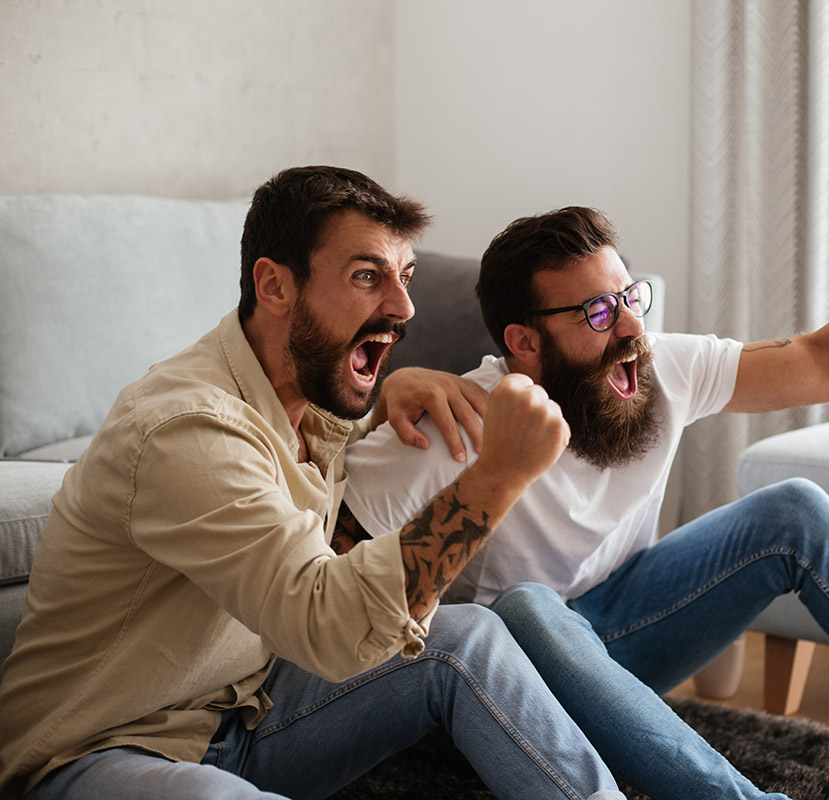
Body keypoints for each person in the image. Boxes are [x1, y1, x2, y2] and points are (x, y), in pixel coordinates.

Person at [342, 204, 829, 800]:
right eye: (598, 315)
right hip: (499, 694)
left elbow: (824, 363)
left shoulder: (658, 365)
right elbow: (322, 587)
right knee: (526, 609)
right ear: (525, 343)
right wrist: (374, 408)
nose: (633, 329)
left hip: (620, 636)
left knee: (794, 512)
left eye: (628, 297)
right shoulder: (446, 430)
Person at [0, 167, 627, 800]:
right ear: (274, 285)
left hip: (244, 715)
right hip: (100, 752)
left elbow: (316, 467)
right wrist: (499, 474)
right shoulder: (184, 430)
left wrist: (385, 399)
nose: (405, 307)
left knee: (467, 639)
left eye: (404, 277)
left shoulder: (310, 404)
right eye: (366, 276)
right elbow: (329, 624)